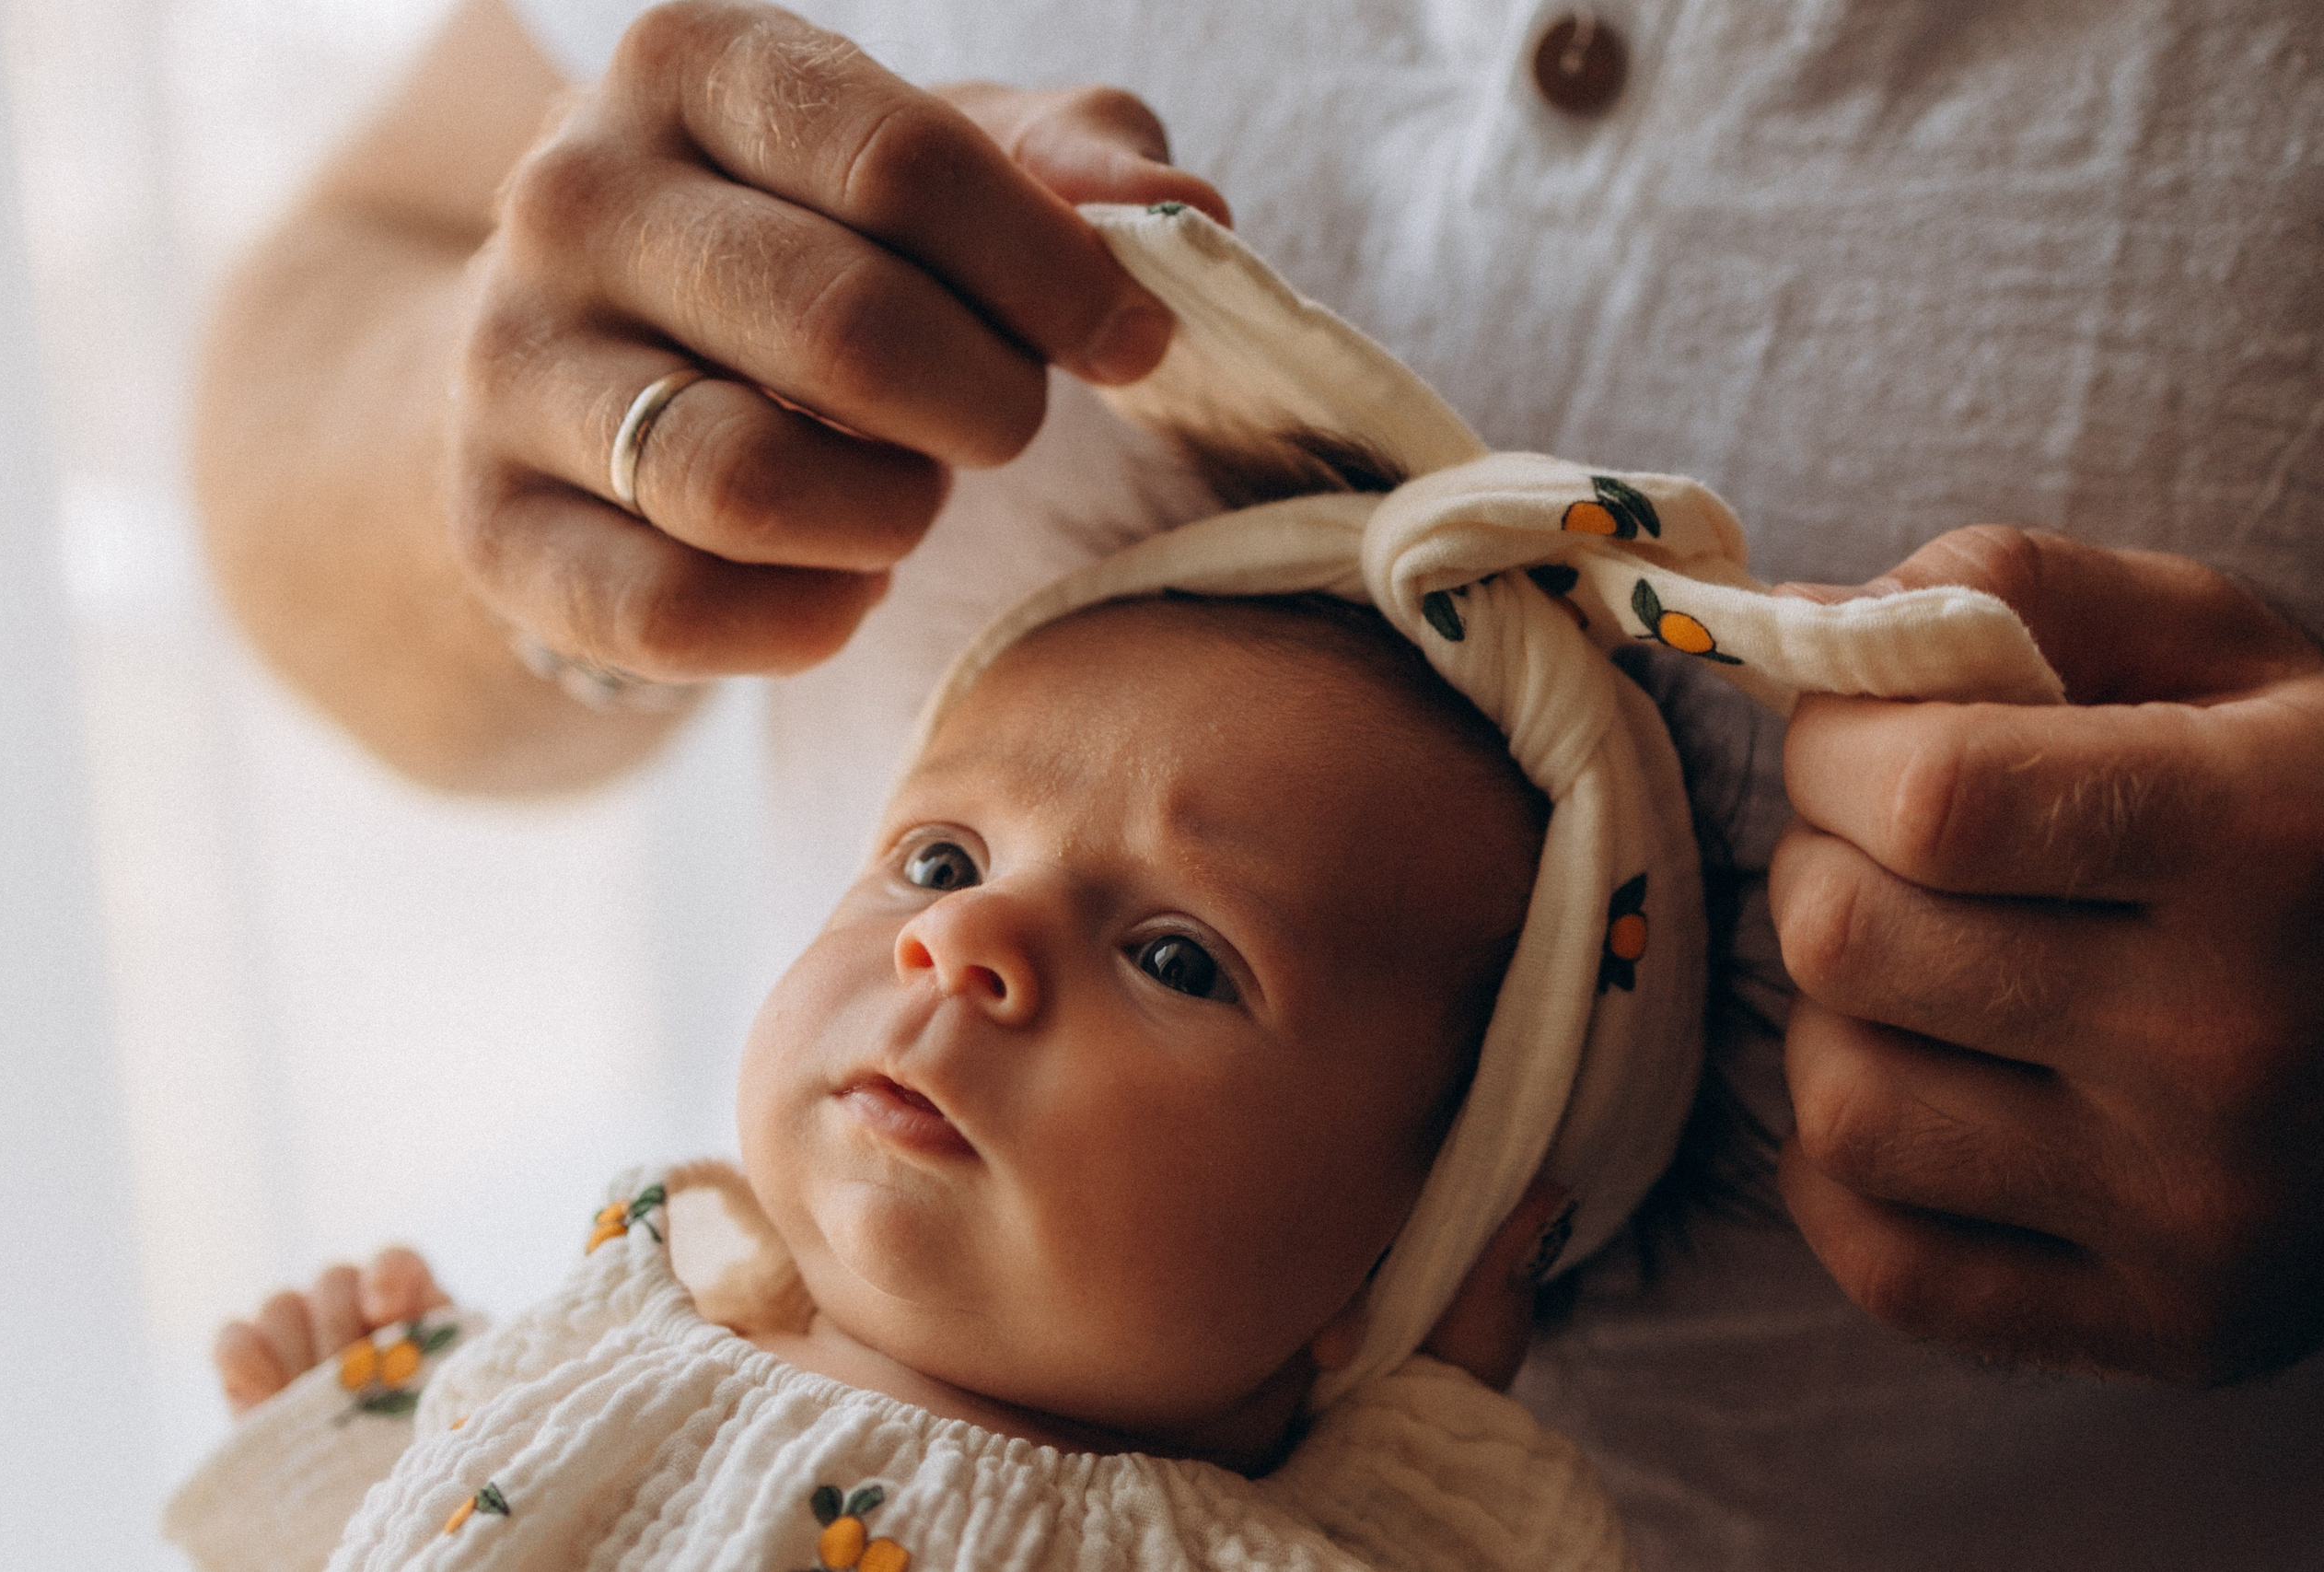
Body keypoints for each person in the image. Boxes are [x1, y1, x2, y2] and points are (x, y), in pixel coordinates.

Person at [192, 0, 2324, 1563]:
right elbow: (357, 256)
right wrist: (527, 432)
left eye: (1181, 956)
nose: (959, 935)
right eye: (937, 846)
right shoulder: (624, 1318)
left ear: (1418, 1281)